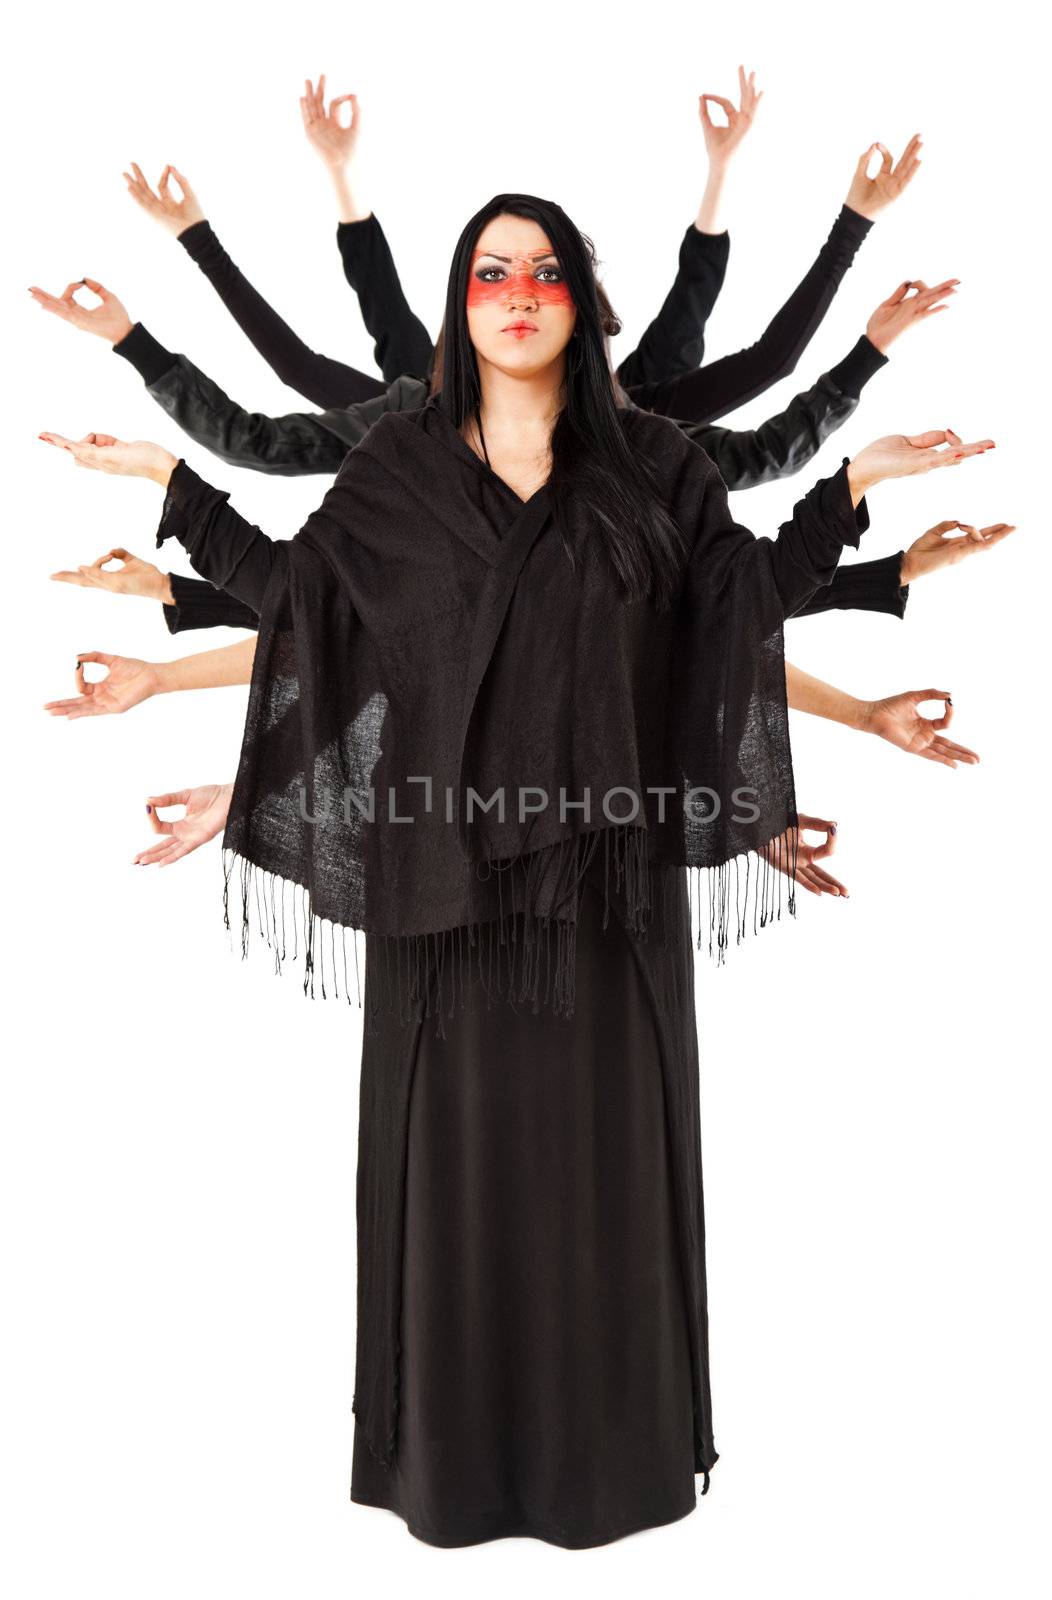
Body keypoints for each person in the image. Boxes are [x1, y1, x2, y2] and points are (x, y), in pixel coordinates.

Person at [40, 193, 993, 1548]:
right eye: (492, 270)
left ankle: (623, 1468)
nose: (519, 290)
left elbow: (733, 618)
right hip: (444, 907)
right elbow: (305, 612)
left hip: (611, 914)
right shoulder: (394, 475)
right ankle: (454, 1478)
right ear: (458, 301)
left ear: (576, 303)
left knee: (607, 1187)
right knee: (455, 1194)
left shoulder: (660, 469)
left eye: (545, 269)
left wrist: (849, 505)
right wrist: (171, 491)